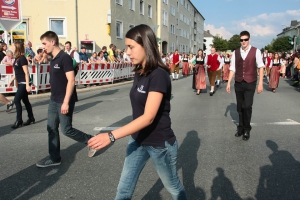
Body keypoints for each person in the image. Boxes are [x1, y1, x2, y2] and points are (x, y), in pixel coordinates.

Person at [87, 24, 187, 200]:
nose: (127, 52)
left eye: (131, 47)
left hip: (160, 145)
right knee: (123, 191)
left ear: (146, 46)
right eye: (126, 47)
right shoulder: (139, 72)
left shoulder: (159, 75)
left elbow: (148, 117)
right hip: (137, 141)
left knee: (174, 188)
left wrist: (110, 136)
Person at [36, 31, 95, 168]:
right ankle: (54, 157)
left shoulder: (65, 58)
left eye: (44, 43)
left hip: (64, 100)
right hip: (53, 100)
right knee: (51, 127)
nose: (43, 46)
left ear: (52, 42)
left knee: (66, 129)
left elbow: (71, 81)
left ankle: (92, 140)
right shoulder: (53, 58)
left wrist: (66, 102)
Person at [226, 30, 264, 141]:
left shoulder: (256, 51)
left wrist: (260, 83)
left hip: (250, 82)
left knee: (247, 106)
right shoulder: (236, 52)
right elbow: (232, 68)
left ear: (249, 39)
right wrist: (228, 82)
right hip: (238, 82)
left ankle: (247, 128)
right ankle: (240, 128)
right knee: (239, 107)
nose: (243, 42)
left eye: (245, 39)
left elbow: (260, 67)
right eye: (241, 40)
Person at [8, 41, 35, 128]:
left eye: (13, 46)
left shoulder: (23, 58)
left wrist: (27, 85)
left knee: (16, 100)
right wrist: (11, 80)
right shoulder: (17, 58)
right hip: (20, 82)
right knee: (25, 101)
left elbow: (26, 73)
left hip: (23, 83)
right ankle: (31, 118)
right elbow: (17, 72)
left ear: (17, 47)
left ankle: (19, 120)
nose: (12, 47)